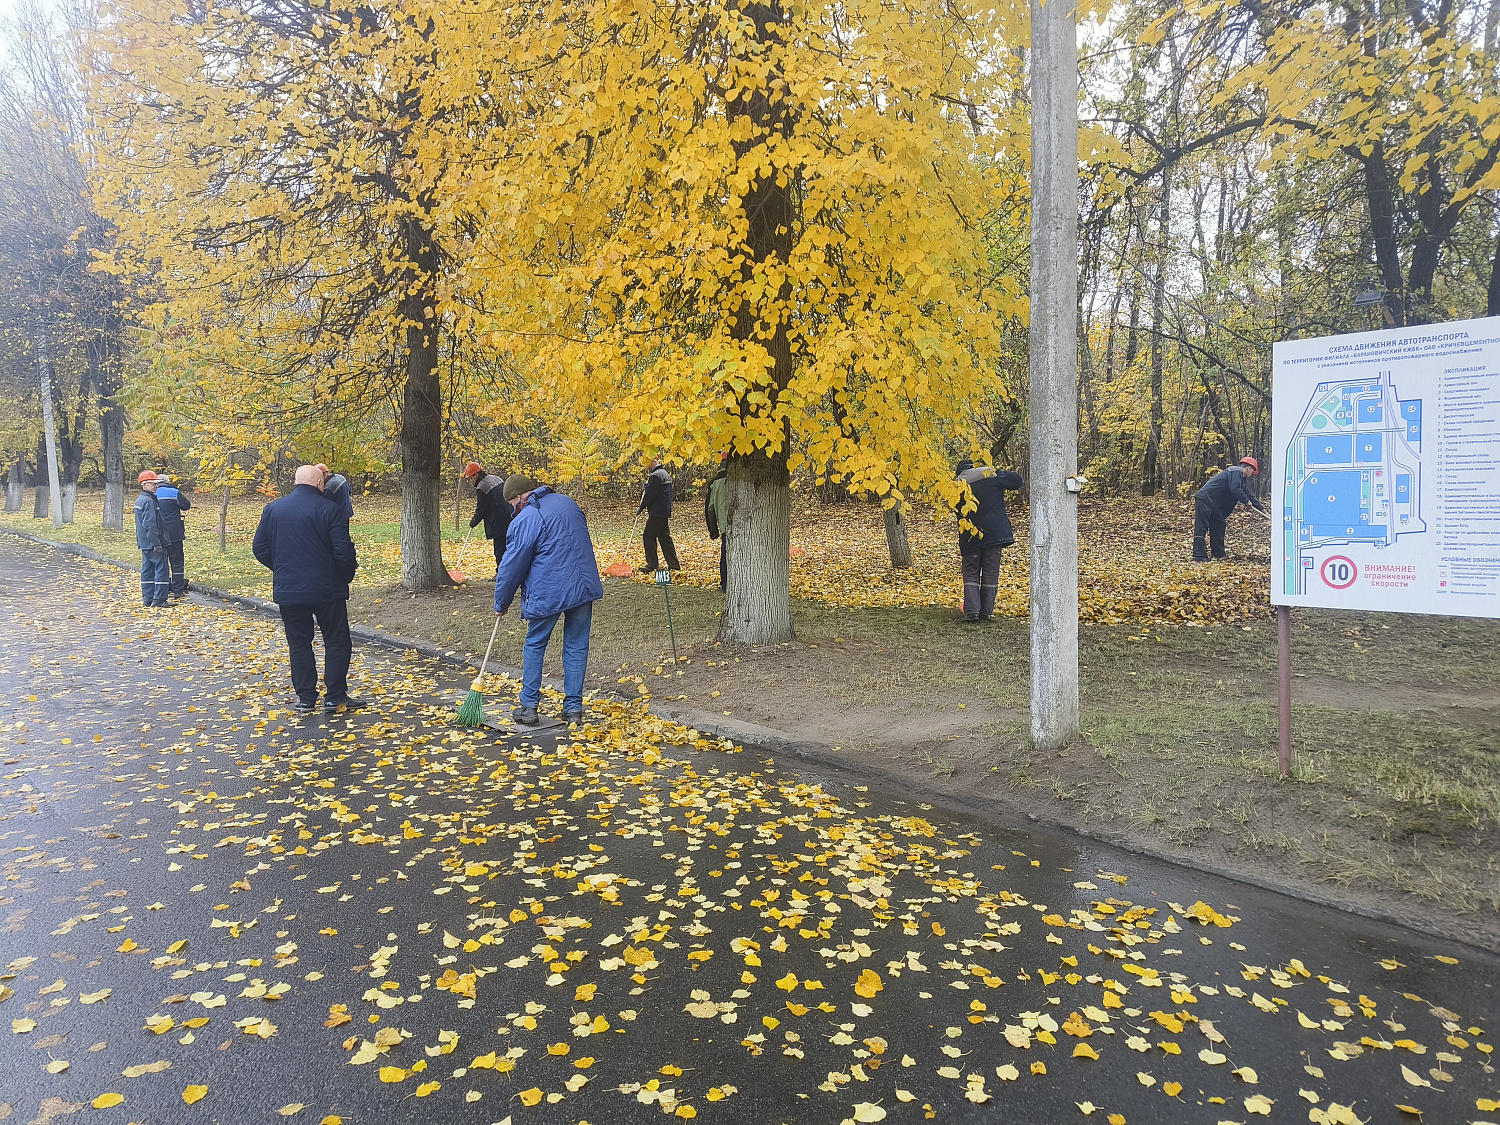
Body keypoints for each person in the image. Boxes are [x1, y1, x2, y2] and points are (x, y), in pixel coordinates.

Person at [493, 473, 604, 727]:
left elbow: (512, 565)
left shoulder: (527, 518)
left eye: (511, 503)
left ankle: (529, 706)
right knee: (577, 645)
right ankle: (573, 709)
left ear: (519, 497)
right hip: (581, 586)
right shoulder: (567, 502)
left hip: (549, 590)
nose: (512, 508)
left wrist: (502, 602)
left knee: (535, 644)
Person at [252, 465, 360, 713]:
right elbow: (343, 551)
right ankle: (335, 696)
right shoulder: (330, 510)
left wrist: (283, 569)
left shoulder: (273, 509)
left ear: (296, 481)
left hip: (289, 590)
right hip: (327, 589)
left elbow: (260, 548)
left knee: (299, 643)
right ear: (320, 484)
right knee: (336, 640)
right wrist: (343, 577)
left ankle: (306, 698)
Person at [955, 458, 1024, 623]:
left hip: (969, 535)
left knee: (971, 572)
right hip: (994, 533)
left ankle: (972, 612)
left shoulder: (954, 485)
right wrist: (996, 471)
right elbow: (1017, 481)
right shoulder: (988, 474)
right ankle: (986, 612)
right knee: (991, 572)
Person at [1193, 456, 1266, 562]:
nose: (1251, 475)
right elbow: (1235, 489)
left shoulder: (1241, 480)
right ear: (1248, 468)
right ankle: (1199, 556)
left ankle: (1218, 554)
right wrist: (1246, 501)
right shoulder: (1235, 471)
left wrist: (1262, 509)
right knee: (1201, 526)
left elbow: (1248, 494)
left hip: (1214, 503)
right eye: (1252, 472)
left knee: (1219, 524)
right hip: (1205, 498)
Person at [463, 461, 511, 570]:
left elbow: (482, 508)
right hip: (509, 516)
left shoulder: (482, 486)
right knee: (508, 547)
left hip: (497, 522)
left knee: (499, 549)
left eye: (471, 478)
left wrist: (474, 521)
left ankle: (501, 573)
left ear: (476, 474)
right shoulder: (496, 478)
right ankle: (509, 571)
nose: (471, 480)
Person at [132, 470, 170, 608]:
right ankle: (159, 599)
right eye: (153, 484)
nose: (156, 486)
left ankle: (147, 599)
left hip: (144, 542)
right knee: (161, 570)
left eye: (157, 484)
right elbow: (150, 524)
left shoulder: (140, 500)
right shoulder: (149, 501)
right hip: (153, 542)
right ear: (145, 484)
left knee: (147, 570)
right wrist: (156, 543)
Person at [637, 458, 679, 573]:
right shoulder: (663, 473)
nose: (645, 466)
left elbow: (650, 495)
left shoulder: (656, 475)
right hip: (664, 510)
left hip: (657, 511)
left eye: (646, 463)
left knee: (648, 535)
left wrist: (641, 506)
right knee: (664, 537)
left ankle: (652, 564)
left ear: (652, 462)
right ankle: (674, 565)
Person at [155, 477, 193, 599]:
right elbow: (186, 505)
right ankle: (178, 590)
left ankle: (163, 588)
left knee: (161, 563)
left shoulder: (152, 494)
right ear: (167, 482)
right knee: (177, 562)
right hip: (174, 533)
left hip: (158, 535)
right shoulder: (174, 492)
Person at [704, 453, 729, 591]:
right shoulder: (741, 479)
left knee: (725, 554)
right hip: (745, 525)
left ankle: (725, 584)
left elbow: (710, 509)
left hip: (725, 525)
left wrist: (713, 531)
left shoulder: (715, 483)